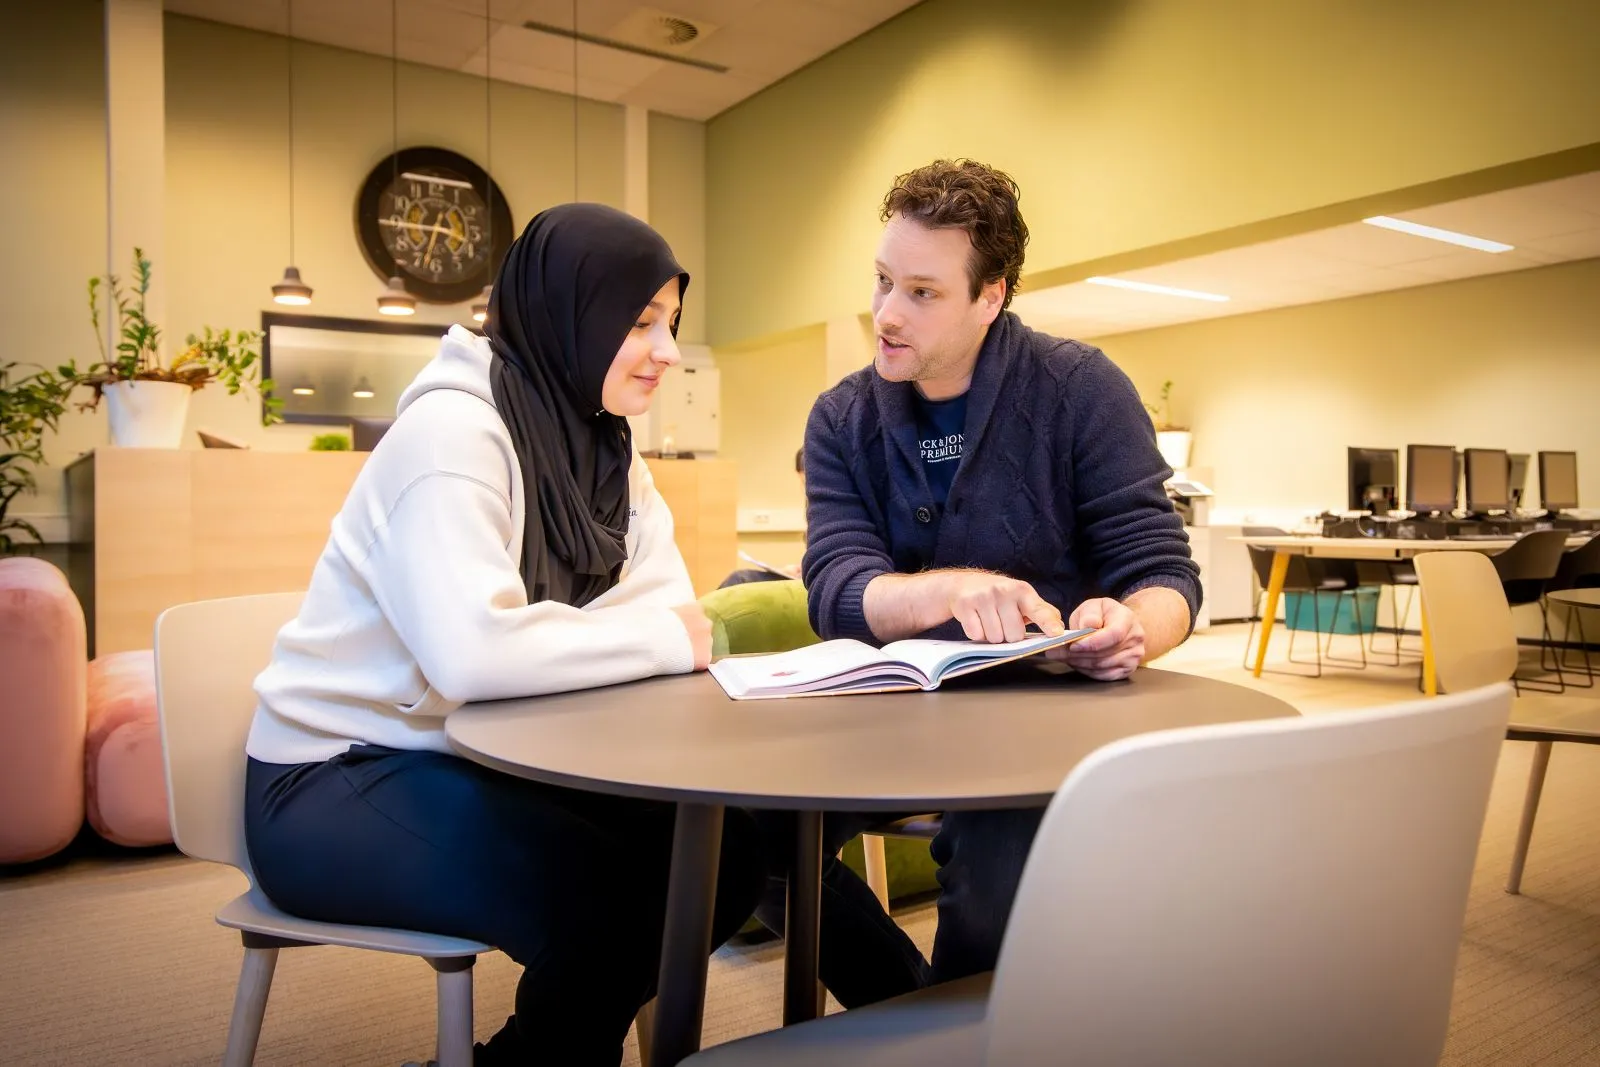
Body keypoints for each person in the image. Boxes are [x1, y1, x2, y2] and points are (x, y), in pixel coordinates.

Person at [242, 203, 766, 1067]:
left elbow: (664, 602)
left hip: (469, 749)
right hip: (330, 775)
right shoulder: (449, 436)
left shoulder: (605, 449)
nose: (668, 352)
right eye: (641, 324)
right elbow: (478, 654)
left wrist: (585, 638)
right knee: (609, 901)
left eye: (670, 323)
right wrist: (651, 638)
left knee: (726, 852)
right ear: (573, 316)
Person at [796, 159, 1202, 993]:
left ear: (992, 296)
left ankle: (954, 1030)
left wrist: (1129, 625)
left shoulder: (1080, 389)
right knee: (745, 837)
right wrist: (942, 591)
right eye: (881, 282)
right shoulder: (841, 416)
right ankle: (912, 1013)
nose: (886, 313)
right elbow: (834, 586)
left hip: (1040, 724)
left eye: (922, 292)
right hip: (893, 717)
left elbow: (1164, 575)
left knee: (992, 888)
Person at [718, 448, 805, 586]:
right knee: (737, 581)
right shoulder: (813, 511)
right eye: (803, 482)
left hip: (813, 585)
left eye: (807, 482)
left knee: (740, 579)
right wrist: (796, 569)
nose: (805, 489)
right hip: (803, 578)